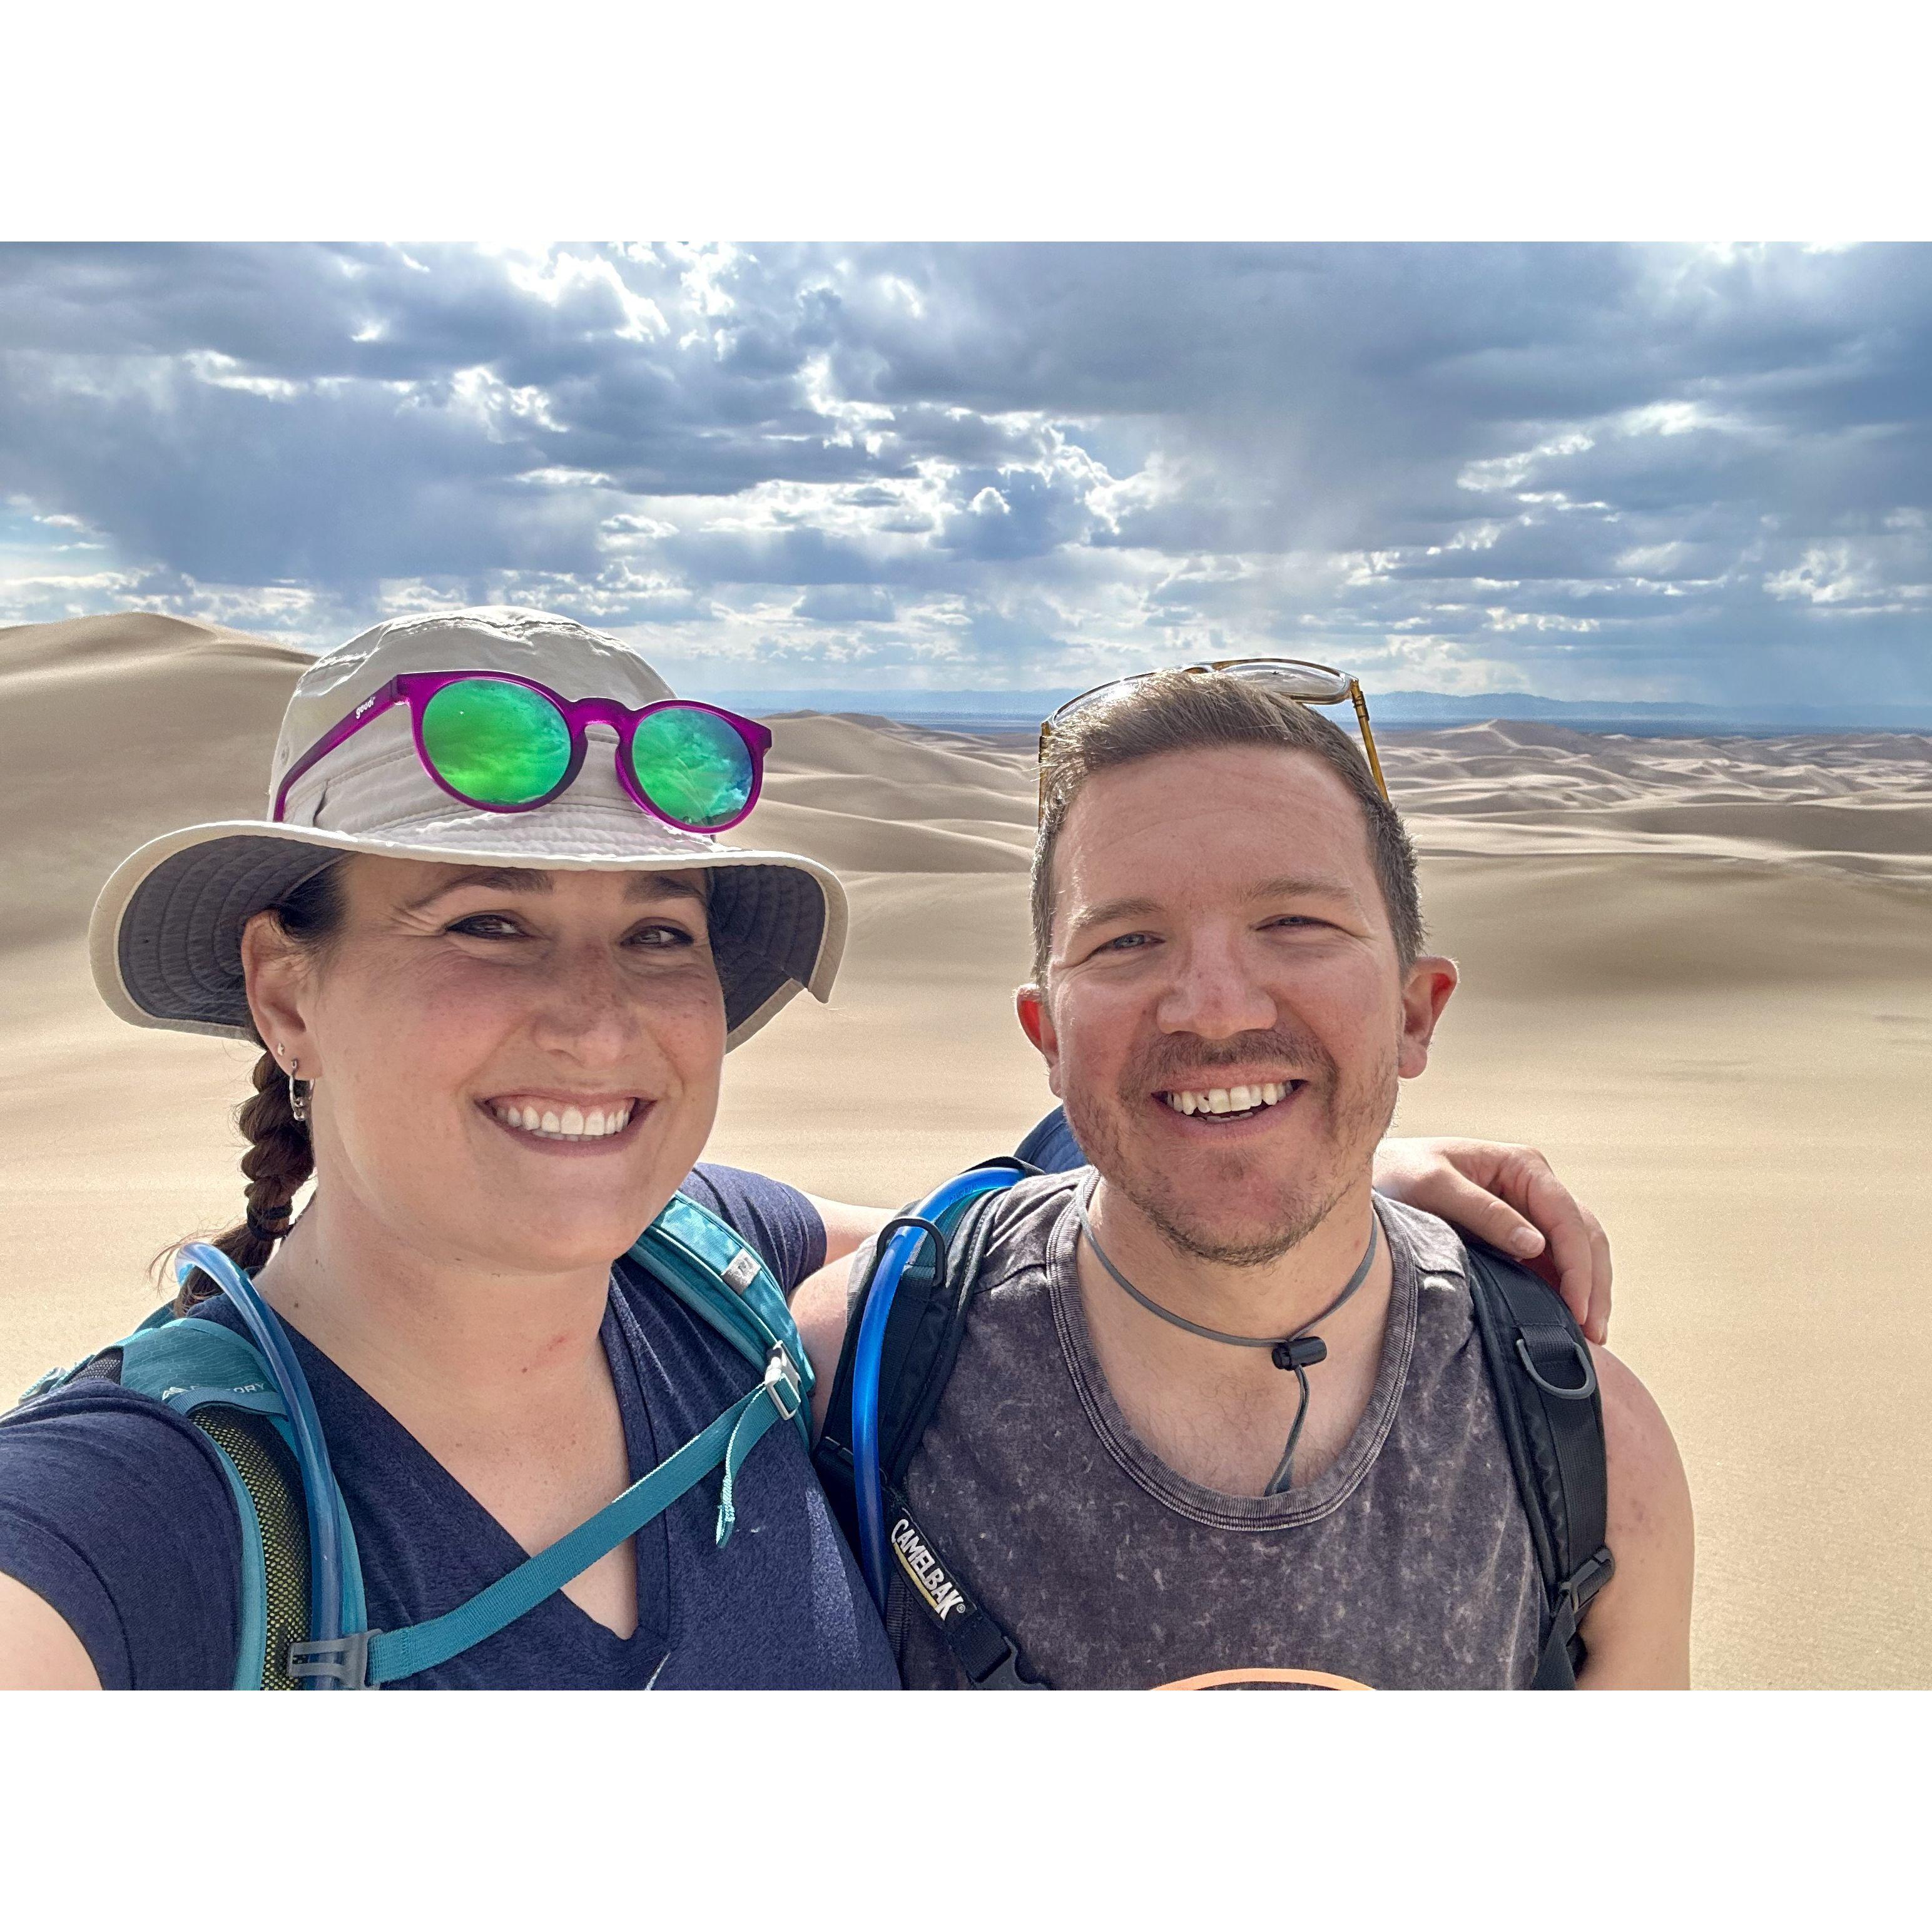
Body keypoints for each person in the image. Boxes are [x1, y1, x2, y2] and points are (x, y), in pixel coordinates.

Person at [0, 608, 1615, 1690]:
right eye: (487, 922)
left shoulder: (707, 1267)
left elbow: (1003, 1218)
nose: (596, 1021)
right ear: (288, 991)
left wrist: (1306, 1148)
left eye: (657, 932)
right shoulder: (143, 1516)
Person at [794, 666, 1694, 1690]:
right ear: (1048, 1036)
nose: (1215, 1009)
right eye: (1129, 941)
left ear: (1414, 1012)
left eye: (1295, 924)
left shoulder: (1595, 1455)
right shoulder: (847, 1378)